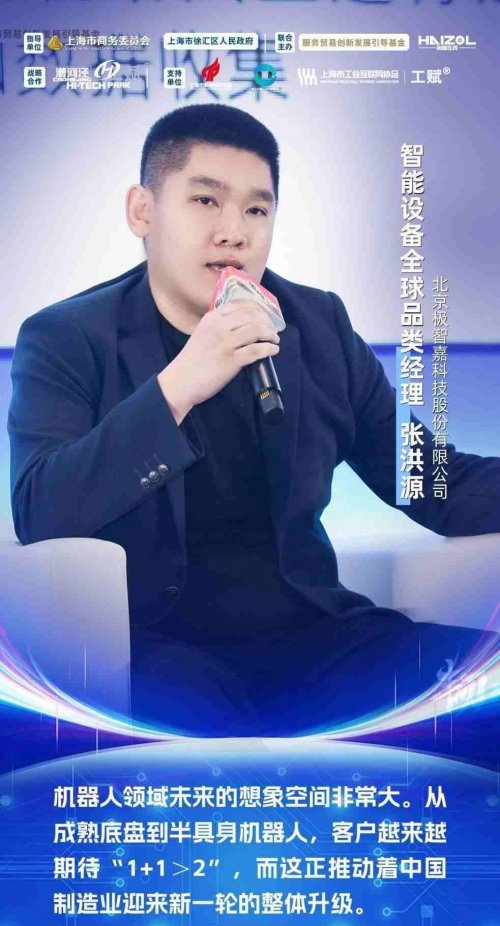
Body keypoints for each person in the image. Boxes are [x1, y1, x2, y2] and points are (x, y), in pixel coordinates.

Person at [8, 104, 500, 735]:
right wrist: (179, 386)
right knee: (210, 736)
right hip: (158, 647)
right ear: (142, 210)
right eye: (205, 201)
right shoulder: (68, 337)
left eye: (256, 210)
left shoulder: (317, 325)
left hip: (318, 636)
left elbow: (434, 483)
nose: (233, 233)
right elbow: (41, 509)